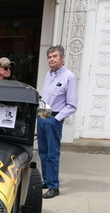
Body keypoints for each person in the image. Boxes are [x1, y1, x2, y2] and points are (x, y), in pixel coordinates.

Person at [37, 45, 78, 199]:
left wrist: (56, 118)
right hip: (42, 114)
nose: (51, 59)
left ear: (62, 58)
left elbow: (72, 105)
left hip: (54, 117)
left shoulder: (69, 77)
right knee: (42, 151)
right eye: (49, 56)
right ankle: (46, 180)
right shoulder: (49, 75)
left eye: (54, 56)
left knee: (52, 153)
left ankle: (54, 186)